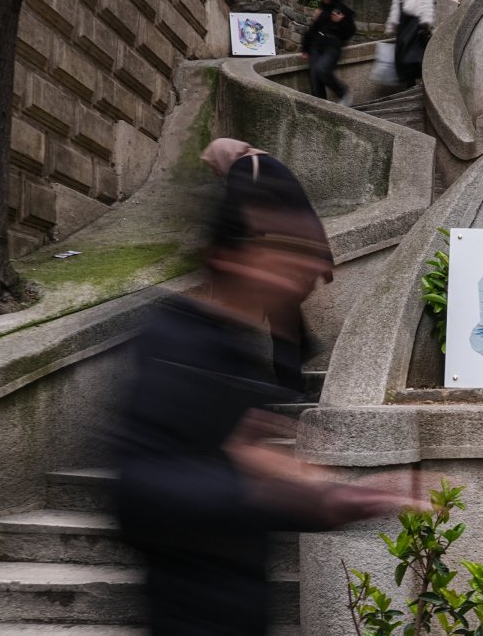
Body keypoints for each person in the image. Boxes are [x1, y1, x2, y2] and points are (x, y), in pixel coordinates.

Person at [113, 163, 425, 634]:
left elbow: (217, 462)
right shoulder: (175, 343)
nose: (304, 269)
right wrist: (305, 498)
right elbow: (144, 493)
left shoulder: (232, 350)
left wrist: (281, 476)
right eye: (283, 250)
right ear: (228, 256)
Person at [201, 138, 332, 395]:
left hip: (280, 262)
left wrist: (219, 256)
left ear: (224, 156)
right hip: (301, 260)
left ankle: (290, 389)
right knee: (286, 316)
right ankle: (305, 348)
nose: (215, 171)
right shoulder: (270, 165)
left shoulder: (243, 167)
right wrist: (324, 258)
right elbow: (305, 210)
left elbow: (235, 215)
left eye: (214, 165)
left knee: (281, 327)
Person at [301, 0, 356, 105]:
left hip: (332, 45)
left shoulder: (341, 9)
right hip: (315, 46)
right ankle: (321, 107)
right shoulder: (322, 10)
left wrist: (340, 21)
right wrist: (305, 47)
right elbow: (313, 29)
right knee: (315, 77)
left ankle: (343, 92)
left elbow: (350, 31)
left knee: (322, 69)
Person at [386, 0, 436, 88]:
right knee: (401, 57)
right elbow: (395, 5)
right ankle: (410, 84)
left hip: (414, 22)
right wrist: (392, 25)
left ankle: (418, 84)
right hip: (402, 24)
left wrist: (426, 21)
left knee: (412, 56)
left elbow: (426, 1)